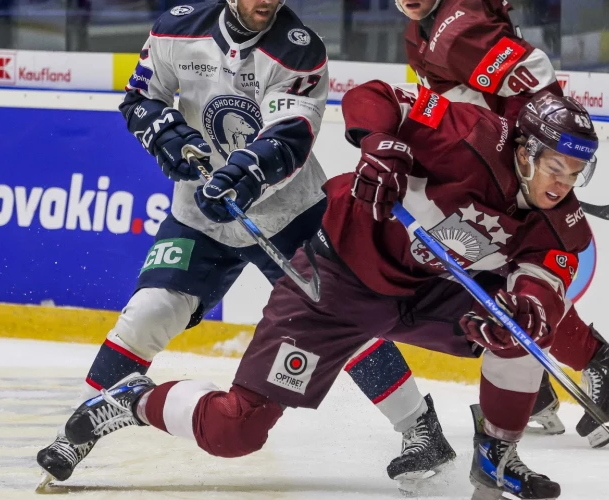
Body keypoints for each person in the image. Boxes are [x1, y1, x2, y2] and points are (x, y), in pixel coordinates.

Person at [61, 83, 606, 500]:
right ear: (527, 151)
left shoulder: (564, 221)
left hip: (428, 293)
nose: (562, 183)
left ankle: (496, 455)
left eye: (575, 172)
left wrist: (529, 309)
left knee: (520, 331)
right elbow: (375, 96)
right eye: (556, 166)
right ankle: (131, 400)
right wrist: (382, 145)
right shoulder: (467, 132)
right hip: (336, 280)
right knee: (236, 429)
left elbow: (546, 278)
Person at [34, 0, 452, 486]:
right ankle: (80, 428)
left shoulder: (298, 49)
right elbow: (138, 98)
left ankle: (420, 428)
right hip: (198, 218)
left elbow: (291, 135)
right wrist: (163, 132)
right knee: (148, 312)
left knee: (344, 319)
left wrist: (242, 174)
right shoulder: (176, 29)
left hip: (290, 214)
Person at [394, 0, 609, 446]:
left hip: (513, 174)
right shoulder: (420, 29)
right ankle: (550, 387)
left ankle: (602, 369)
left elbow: (535, 76)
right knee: (493, 280)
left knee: (497, 278)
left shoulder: (460, 26)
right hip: (494, 172)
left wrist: (541, 163)